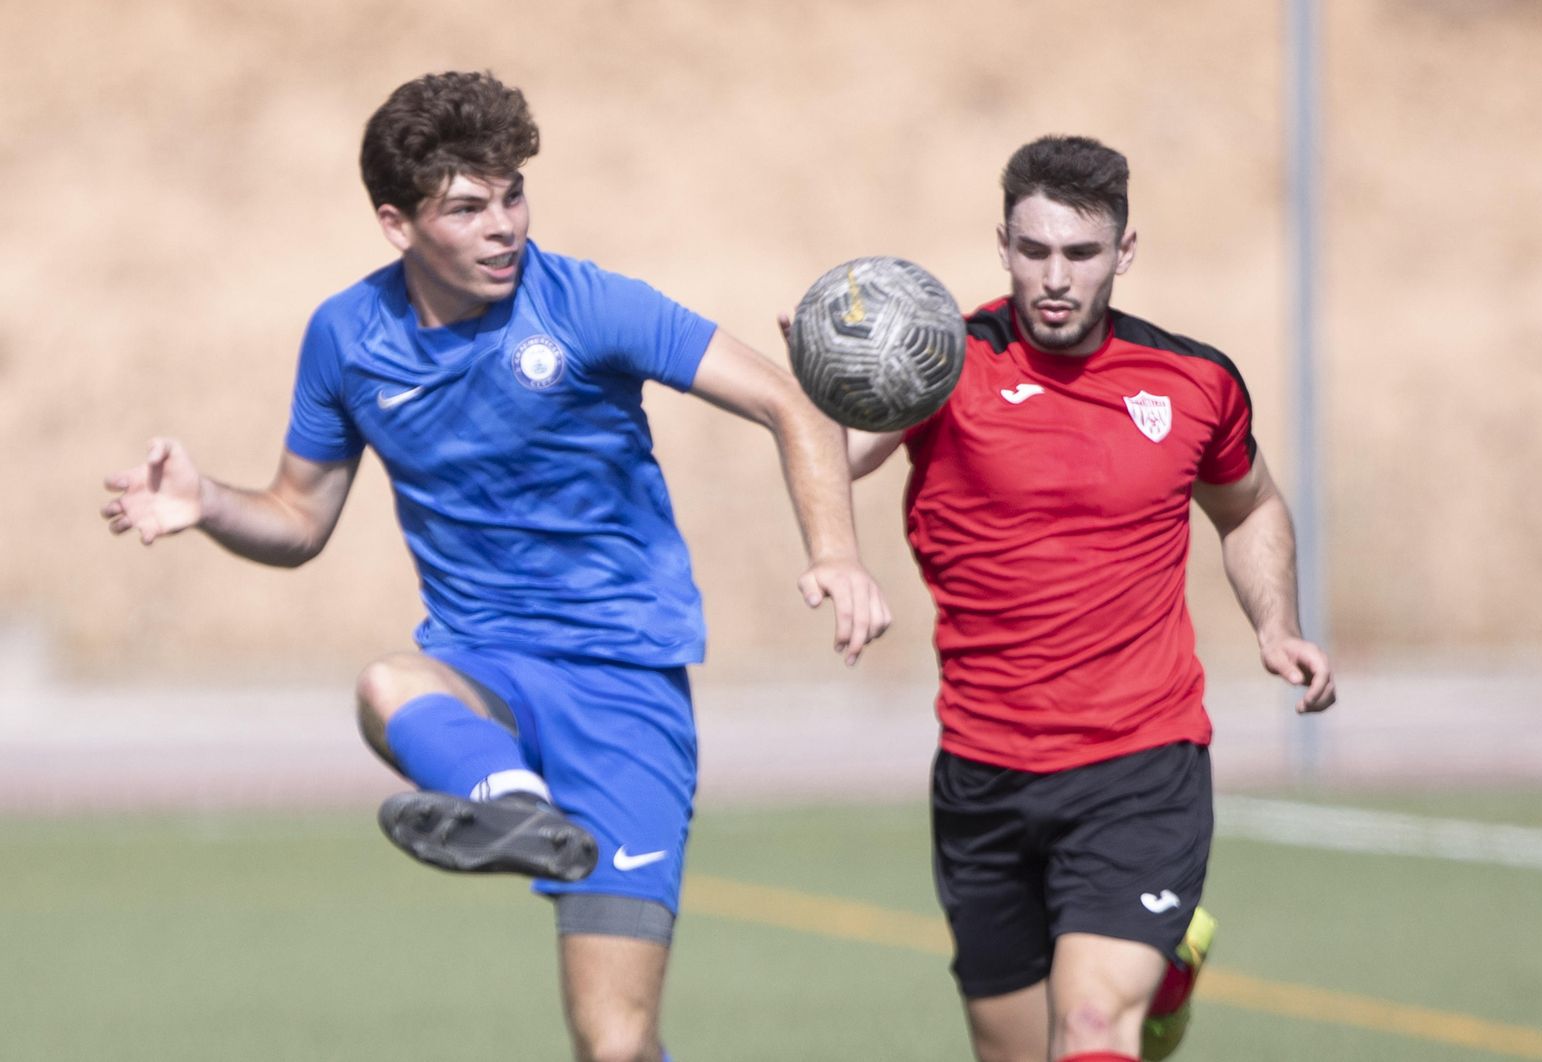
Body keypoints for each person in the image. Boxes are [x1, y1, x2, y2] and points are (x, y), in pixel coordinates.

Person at [101, 70, 890, 1062]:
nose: (502, 226)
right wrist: (208, 502)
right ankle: (514, 809)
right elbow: (298, 518)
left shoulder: (590, 304)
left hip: (624, 692)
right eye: (466, 207)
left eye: (512, 193)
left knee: (614, 1043)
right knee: (388, 681)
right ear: (397, 224)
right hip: (488, 670)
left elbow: (790, 400)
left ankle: (517, 812)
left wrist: (836, 556)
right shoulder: (346, 338)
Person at [844, 136, 1336, 1062]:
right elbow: (831, 451)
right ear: (1003, 246)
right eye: (1034, 253)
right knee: (1016, 1050)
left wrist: (1278, 625)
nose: (1055, 279)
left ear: (1125, 250)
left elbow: (1251, 504)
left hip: (1138, 763)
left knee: (1089, 1028)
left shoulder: (1193, 381)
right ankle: (1170, 975)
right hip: (984, 768)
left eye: (1081, 253)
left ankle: (1142, 984)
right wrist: (835, 383)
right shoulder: (945, 361)